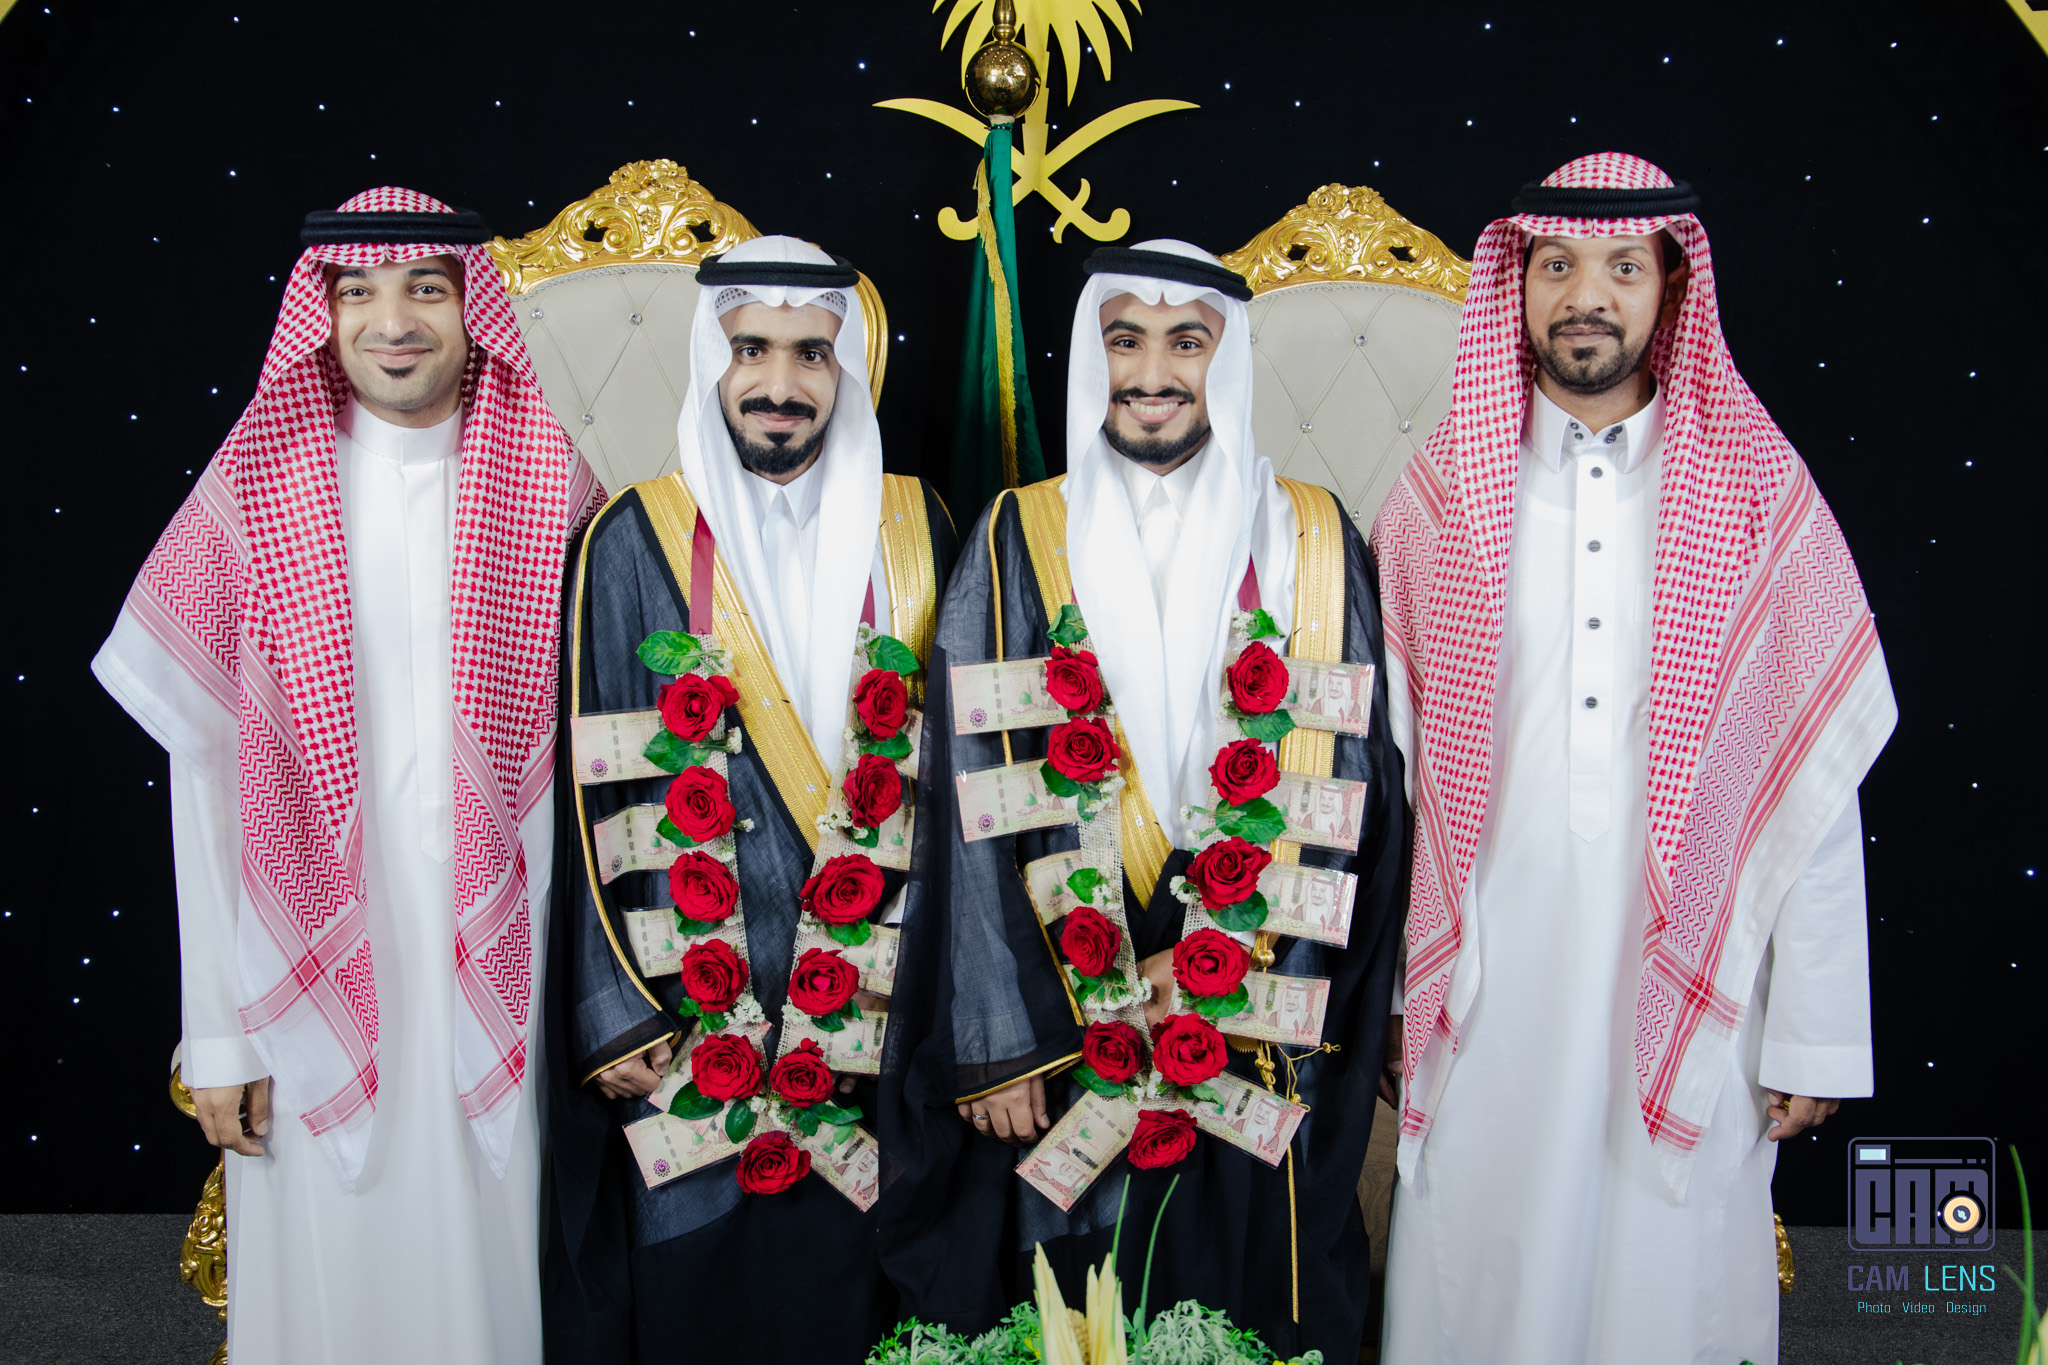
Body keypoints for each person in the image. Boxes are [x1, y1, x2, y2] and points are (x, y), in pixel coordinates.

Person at [1374, 153, 1895, 1364]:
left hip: (1688, 965)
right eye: (1554, 265)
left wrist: (1814, 1029)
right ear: (1515, 287)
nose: (1584, 296)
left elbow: (1811, 783)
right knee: (1482, 1264)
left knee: (1666, 1278)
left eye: (1621, 266)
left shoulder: (1758, 494)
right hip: (1487, 981)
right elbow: (1391, 784)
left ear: (1671, 287)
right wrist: (1397, 997)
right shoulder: (1438, 499)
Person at [91, 189, 600, 1363]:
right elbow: (203, 789)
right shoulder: (249, 496)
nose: (393, 321)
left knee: (492, 1286)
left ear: (473, 310)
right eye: (357, 292)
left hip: (510, 972)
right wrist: (219, 1039)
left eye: (426, 287)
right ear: (318, 317)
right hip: (296, 981)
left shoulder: (557, 487)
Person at [881, 241, 1406, 1360]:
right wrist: (999, 1039)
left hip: (1257, 1004)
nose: (1152, 373)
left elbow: (1357, 783)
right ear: (1094, 357)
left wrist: (1237, 962)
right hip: (1063, 1003)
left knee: (1248, 1300)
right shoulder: (1018, 532)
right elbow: (965, 787)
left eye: (1186, 342)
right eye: (1126, 341)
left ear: (1229, 359)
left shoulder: (1314, 535)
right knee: (1078, 1301)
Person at [541, 236, 956, 1361]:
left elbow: (957, 782)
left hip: (878, 1003)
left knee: (865, 1298)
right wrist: (611, 1011)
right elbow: (585, 795)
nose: (780, 383)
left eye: (811, 354)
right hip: (687, 1011)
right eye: (752, 351)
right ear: (709, 362)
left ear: (846, 368)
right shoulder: (630, 535)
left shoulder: (918, 526)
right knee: (701, 1297)